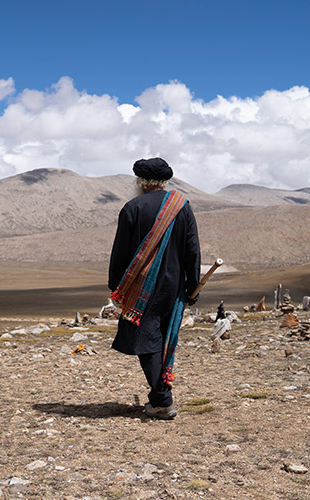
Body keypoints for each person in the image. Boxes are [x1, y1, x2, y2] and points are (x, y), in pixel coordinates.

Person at [108, 158, 201, 420]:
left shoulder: (132, 208)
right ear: (165, 182)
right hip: (172, 286)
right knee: (161, 337)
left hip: (141, 288)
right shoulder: (182, 207)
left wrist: (117, 287)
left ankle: (162, 401)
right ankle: (160, 396)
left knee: (146, 339)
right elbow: (192, 249)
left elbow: (120, 252)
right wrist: (192, 286)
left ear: (140, 182)